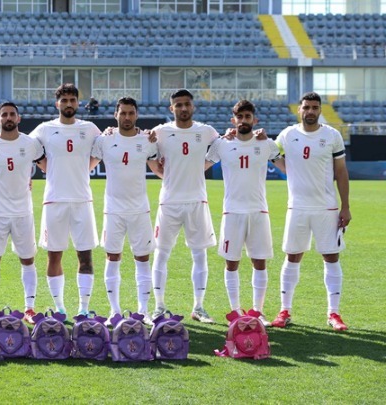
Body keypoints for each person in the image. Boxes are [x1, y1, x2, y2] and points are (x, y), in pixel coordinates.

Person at [271, 92, 351, 331]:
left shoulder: (332, 135)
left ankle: (334, 313)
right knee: (292, 256)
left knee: (331, 257)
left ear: (320, 110)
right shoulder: (287, 135)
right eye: (306, 107)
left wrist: (346, 206)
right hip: (297, 207)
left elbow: (341, 172)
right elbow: (270, 152)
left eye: (315, 107)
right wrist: (288, 170)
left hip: (327, 207)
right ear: (300, 109)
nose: (310, 111)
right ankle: (284, 311)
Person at [205, 100, 285, 326]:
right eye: (239, 117)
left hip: (259, 211)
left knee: (259, 262)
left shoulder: (266, 144)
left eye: (247, 116)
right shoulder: (222, 144)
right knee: (231, 263)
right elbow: (200, 166)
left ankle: (258, 311)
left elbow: (288, 167)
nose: (243, 120)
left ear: (254, 120)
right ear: (233, 120)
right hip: (232, 212)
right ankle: (236, 311)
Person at [30, 83, 101, 317]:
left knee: (85, 256)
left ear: (78, 103)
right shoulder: (44, 129)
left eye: (72, 100)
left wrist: (87, 167)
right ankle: (59, 307)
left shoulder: (90, 129)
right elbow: (23, 146)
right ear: (57, 103)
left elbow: (105, 147)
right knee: (54, 255)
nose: (68, 104)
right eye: (64, 100)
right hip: (54, 201)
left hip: (82, 200)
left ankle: (83, 308)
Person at [150, 89, 219, 323]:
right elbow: (150, 157)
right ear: (172, 108)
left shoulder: (206, 131)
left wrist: (200, 168)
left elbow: (223, 147)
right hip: (169, 202)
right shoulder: (160, 132)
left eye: (186, 104)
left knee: (199, 254)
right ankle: (159, 306)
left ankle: (199, 307)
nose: (183, 108)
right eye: (178, 105)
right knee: (161, 253)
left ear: (193, 106)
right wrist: (165, 174)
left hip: (197, 201)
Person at [90, 97, 160, 322]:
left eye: (131, 113)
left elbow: (159, 169)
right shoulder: (104, 140)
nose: (127, 117)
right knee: (112, 258)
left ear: (136, 115)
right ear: (116, 115)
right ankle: (115, 311)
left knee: (142, 259)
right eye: (123, 113)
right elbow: (85, 167)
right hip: (113, 211)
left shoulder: (148, 141)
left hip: (140, 210)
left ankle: (143, 311)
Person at [0, 102, 44, 325]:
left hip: (23, 212)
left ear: (18, 118)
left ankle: (30, 309)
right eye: (4, 114)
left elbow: (47, 165)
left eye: (12, 114)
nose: (8, 117)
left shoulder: (31, 144)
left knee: (28, 260)